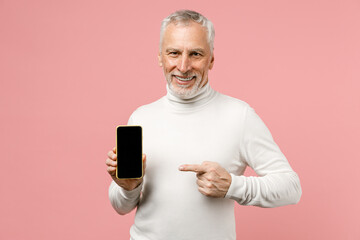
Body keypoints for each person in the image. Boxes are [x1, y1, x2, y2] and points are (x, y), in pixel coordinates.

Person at [105, 9, 302, 240]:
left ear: (211, 59)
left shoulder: (239, 116)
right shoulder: (141, 117)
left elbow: (291, 188)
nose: (184, 66)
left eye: (196, 54)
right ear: (160, 57)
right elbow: (121, 207)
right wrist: (128, 188)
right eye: (174, 53)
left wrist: (232, 186)